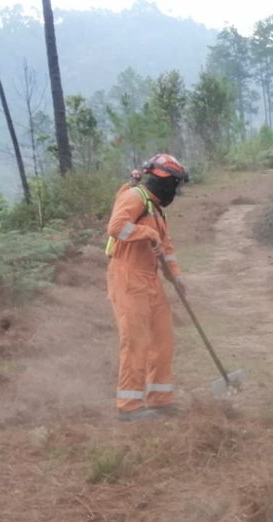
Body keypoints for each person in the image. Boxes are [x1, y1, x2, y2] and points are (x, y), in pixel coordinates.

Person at [105, 153, 189, 422]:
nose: (175, 191)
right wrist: (147, 233)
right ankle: (128, 405)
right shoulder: (134, 198)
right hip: (128, 278)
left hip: (150, 279)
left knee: (163, 339)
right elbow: (115, 228)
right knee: (135, 342)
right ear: (163, 182)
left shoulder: (154, 208)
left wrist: (175, 275)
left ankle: (160, 398)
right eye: (174, 185)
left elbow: (165, 247)